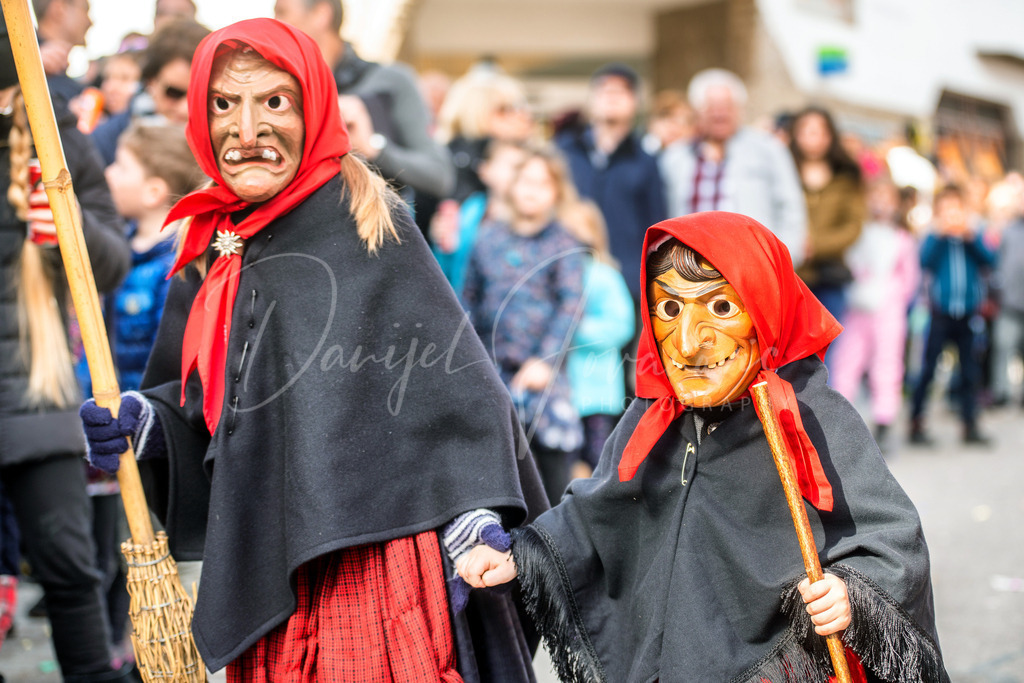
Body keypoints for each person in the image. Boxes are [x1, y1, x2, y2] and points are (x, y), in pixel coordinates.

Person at [79, 18, 546, 679]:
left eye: (274, 101)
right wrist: (148, 422)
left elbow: (461, 398)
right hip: (270, 573)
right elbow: (208, 408)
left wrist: (473, 514)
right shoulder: (212, 244)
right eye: (223, 103)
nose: (246, 129)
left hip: (374, 567)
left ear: (315, 107)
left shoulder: (369, 222)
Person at [457, 212, 949, 682]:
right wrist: (521, 556)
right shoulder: (650, 419)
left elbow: (892, 540)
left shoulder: (811, 417)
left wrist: (850, 594)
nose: (689, 343)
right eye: (670, 309)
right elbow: (598, 514)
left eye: (719, 307)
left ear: (765, 308)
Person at [0, 30, 135, 682]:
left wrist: (68, 223)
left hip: (36, 389)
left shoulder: (57, 134)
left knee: (71, 569)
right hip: (33, 392)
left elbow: (112, 262)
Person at [463, 144, 586, 505]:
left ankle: (554, 552)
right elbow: (467, 301)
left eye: (543, 183)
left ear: (556, 193)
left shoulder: (565, 243)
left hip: (543, 378)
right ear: (512, 185)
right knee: (500, 471)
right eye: (526, 180)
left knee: (550, 476)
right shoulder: (488, 239)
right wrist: (474, 361)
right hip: (494, 372)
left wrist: (546, 360)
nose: (532, 190)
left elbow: (571, 305)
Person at [273, 0, 454, 201]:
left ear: (321, 14)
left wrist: (372, 147)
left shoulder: (389, 81)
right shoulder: (279, 92)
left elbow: (439, 176)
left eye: (282, 12)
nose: (275, 24)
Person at [660, 68, 807, 265]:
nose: (720, 113)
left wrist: (785, 259)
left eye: (727, 106)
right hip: (692, 269)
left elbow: (791, 207)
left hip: (755, 265)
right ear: (697, 111)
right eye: (711, 106)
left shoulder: (768, 149)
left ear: (740, 109)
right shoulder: (675, 157)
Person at [556, 62, 666, 306]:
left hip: (626, 283)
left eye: (621, 91)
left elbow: (657, 224)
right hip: (565, 275)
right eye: (604, 90)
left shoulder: (646, 161)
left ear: (635, 102)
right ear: (592, 100)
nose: (612, 97)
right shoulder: (564, 151)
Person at [830, 176, 919, 451]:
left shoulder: (902, 239)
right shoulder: (859, 233)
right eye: (875, 196)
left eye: (886, 198)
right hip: (857, 308)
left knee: (887, 363)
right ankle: (841, 417)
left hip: (887, 310)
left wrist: (895, 299)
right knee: (847, 361)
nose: (880, 203)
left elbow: (910, 279)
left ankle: (884, 419)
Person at [909, 184, 997, 445]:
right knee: (928, 369)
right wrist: (938, 235)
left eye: (956, 207)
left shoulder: (975, 233)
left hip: (968, 312)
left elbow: (990, 261)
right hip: (940, 312)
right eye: (946, 208)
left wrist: (972, 238)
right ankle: (916, 421)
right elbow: (924, 262)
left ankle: (970, 424)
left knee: (970, 371)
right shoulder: (934, 237)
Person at [560, 199, 635, 478]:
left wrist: (572, 332)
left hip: (597, 390)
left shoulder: (604, 276)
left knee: (598, 461)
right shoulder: (554, 274)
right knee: (564, 461)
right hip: (563, 391)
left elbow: (621, 324)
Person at [91, 19, 211, 165]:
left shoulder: (224, 147)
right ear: (151, 82)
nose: (185, 108)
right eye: (174, 93)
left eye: (199, 95)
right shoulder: (106, 141)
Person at [790, 106, 865, 329]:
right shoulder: (783, 171)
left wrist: (815, 246)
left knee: (824, 348)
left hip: (830, 274)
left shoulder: (847, 176)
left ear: (830, 136)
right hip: (791, 273)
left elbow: (853, 227)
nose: (813, 137)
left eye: (820, 131)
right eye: (807, 130)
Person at [432, 138, 526, 297]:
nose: (517, 173)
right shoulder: (469, 210)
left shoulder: (528, 218)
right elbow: (446, 268)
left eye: (522, 167)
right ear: (484, 170)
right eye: (511, 166)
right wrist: (440, 243)